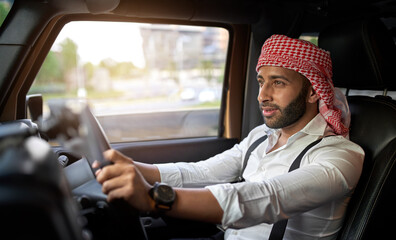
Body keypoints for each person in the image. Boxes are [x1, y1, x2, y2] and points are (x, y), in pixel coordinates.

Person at [93, 34, 364, 239]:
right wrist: (132, 168)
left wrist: (156, 199)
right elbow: (201, 172)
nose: (262, 95)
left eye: (278, 82)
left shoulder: (340, 156)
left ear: (313, 92)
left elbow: (265, 197)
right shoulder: (262, 135)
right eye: (261, 82)